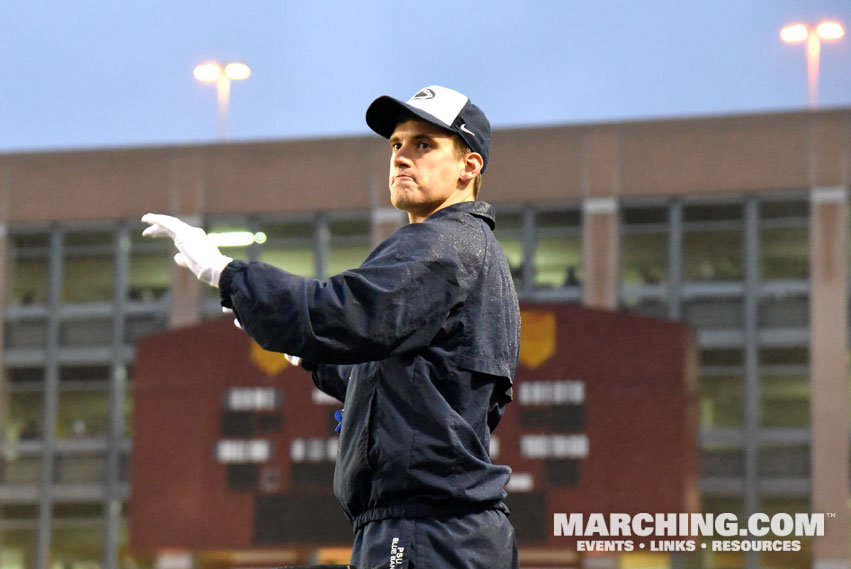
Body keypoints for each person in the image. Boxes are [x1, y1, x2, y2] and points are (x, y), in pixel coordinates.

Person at [142, 85, 521, 569]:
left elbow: (341, 312)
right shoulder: (470, 250)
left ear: (469, 166)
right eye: (396, 145)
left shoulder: (443, 242)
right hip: (443, 533)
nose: (402, 156)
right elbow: (398, 379)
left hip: (426, 534)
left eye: (424, 144)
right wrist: (305, 351)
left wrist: (226, 273)